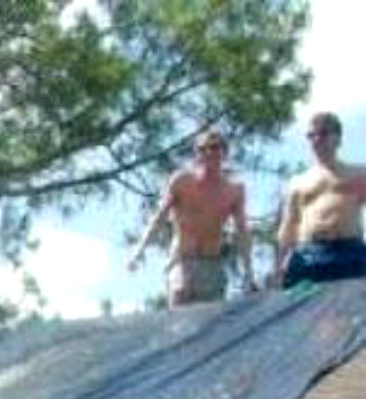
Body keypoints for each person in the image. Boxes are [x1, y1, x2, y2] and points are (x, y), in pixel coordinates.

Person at [128, 129, 255, 305]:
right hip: (182, 260)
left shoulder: (234, 190)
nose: (208, 152)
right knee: (180, 301)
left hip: (212, 265)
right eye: (202, 149)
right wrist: (139, 250)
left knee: (212, 319)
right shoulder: (182, 181)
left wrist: (249, 271)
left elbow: (242, 231)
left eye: (214, 147)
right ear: (197, 155)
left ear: (224, 152)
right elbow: (159, 217)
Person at [276, 111, 366, 288]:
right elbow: (289, 224)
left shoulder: (359, 174)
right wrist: (281, 261)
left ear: (338, 139)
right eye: (311, 135)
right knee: (303, 305)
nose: (316, 140)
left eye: (323, 133)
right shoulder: (298, 181)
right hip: (308, 254)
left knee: (355, 304)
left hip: (350, 251)